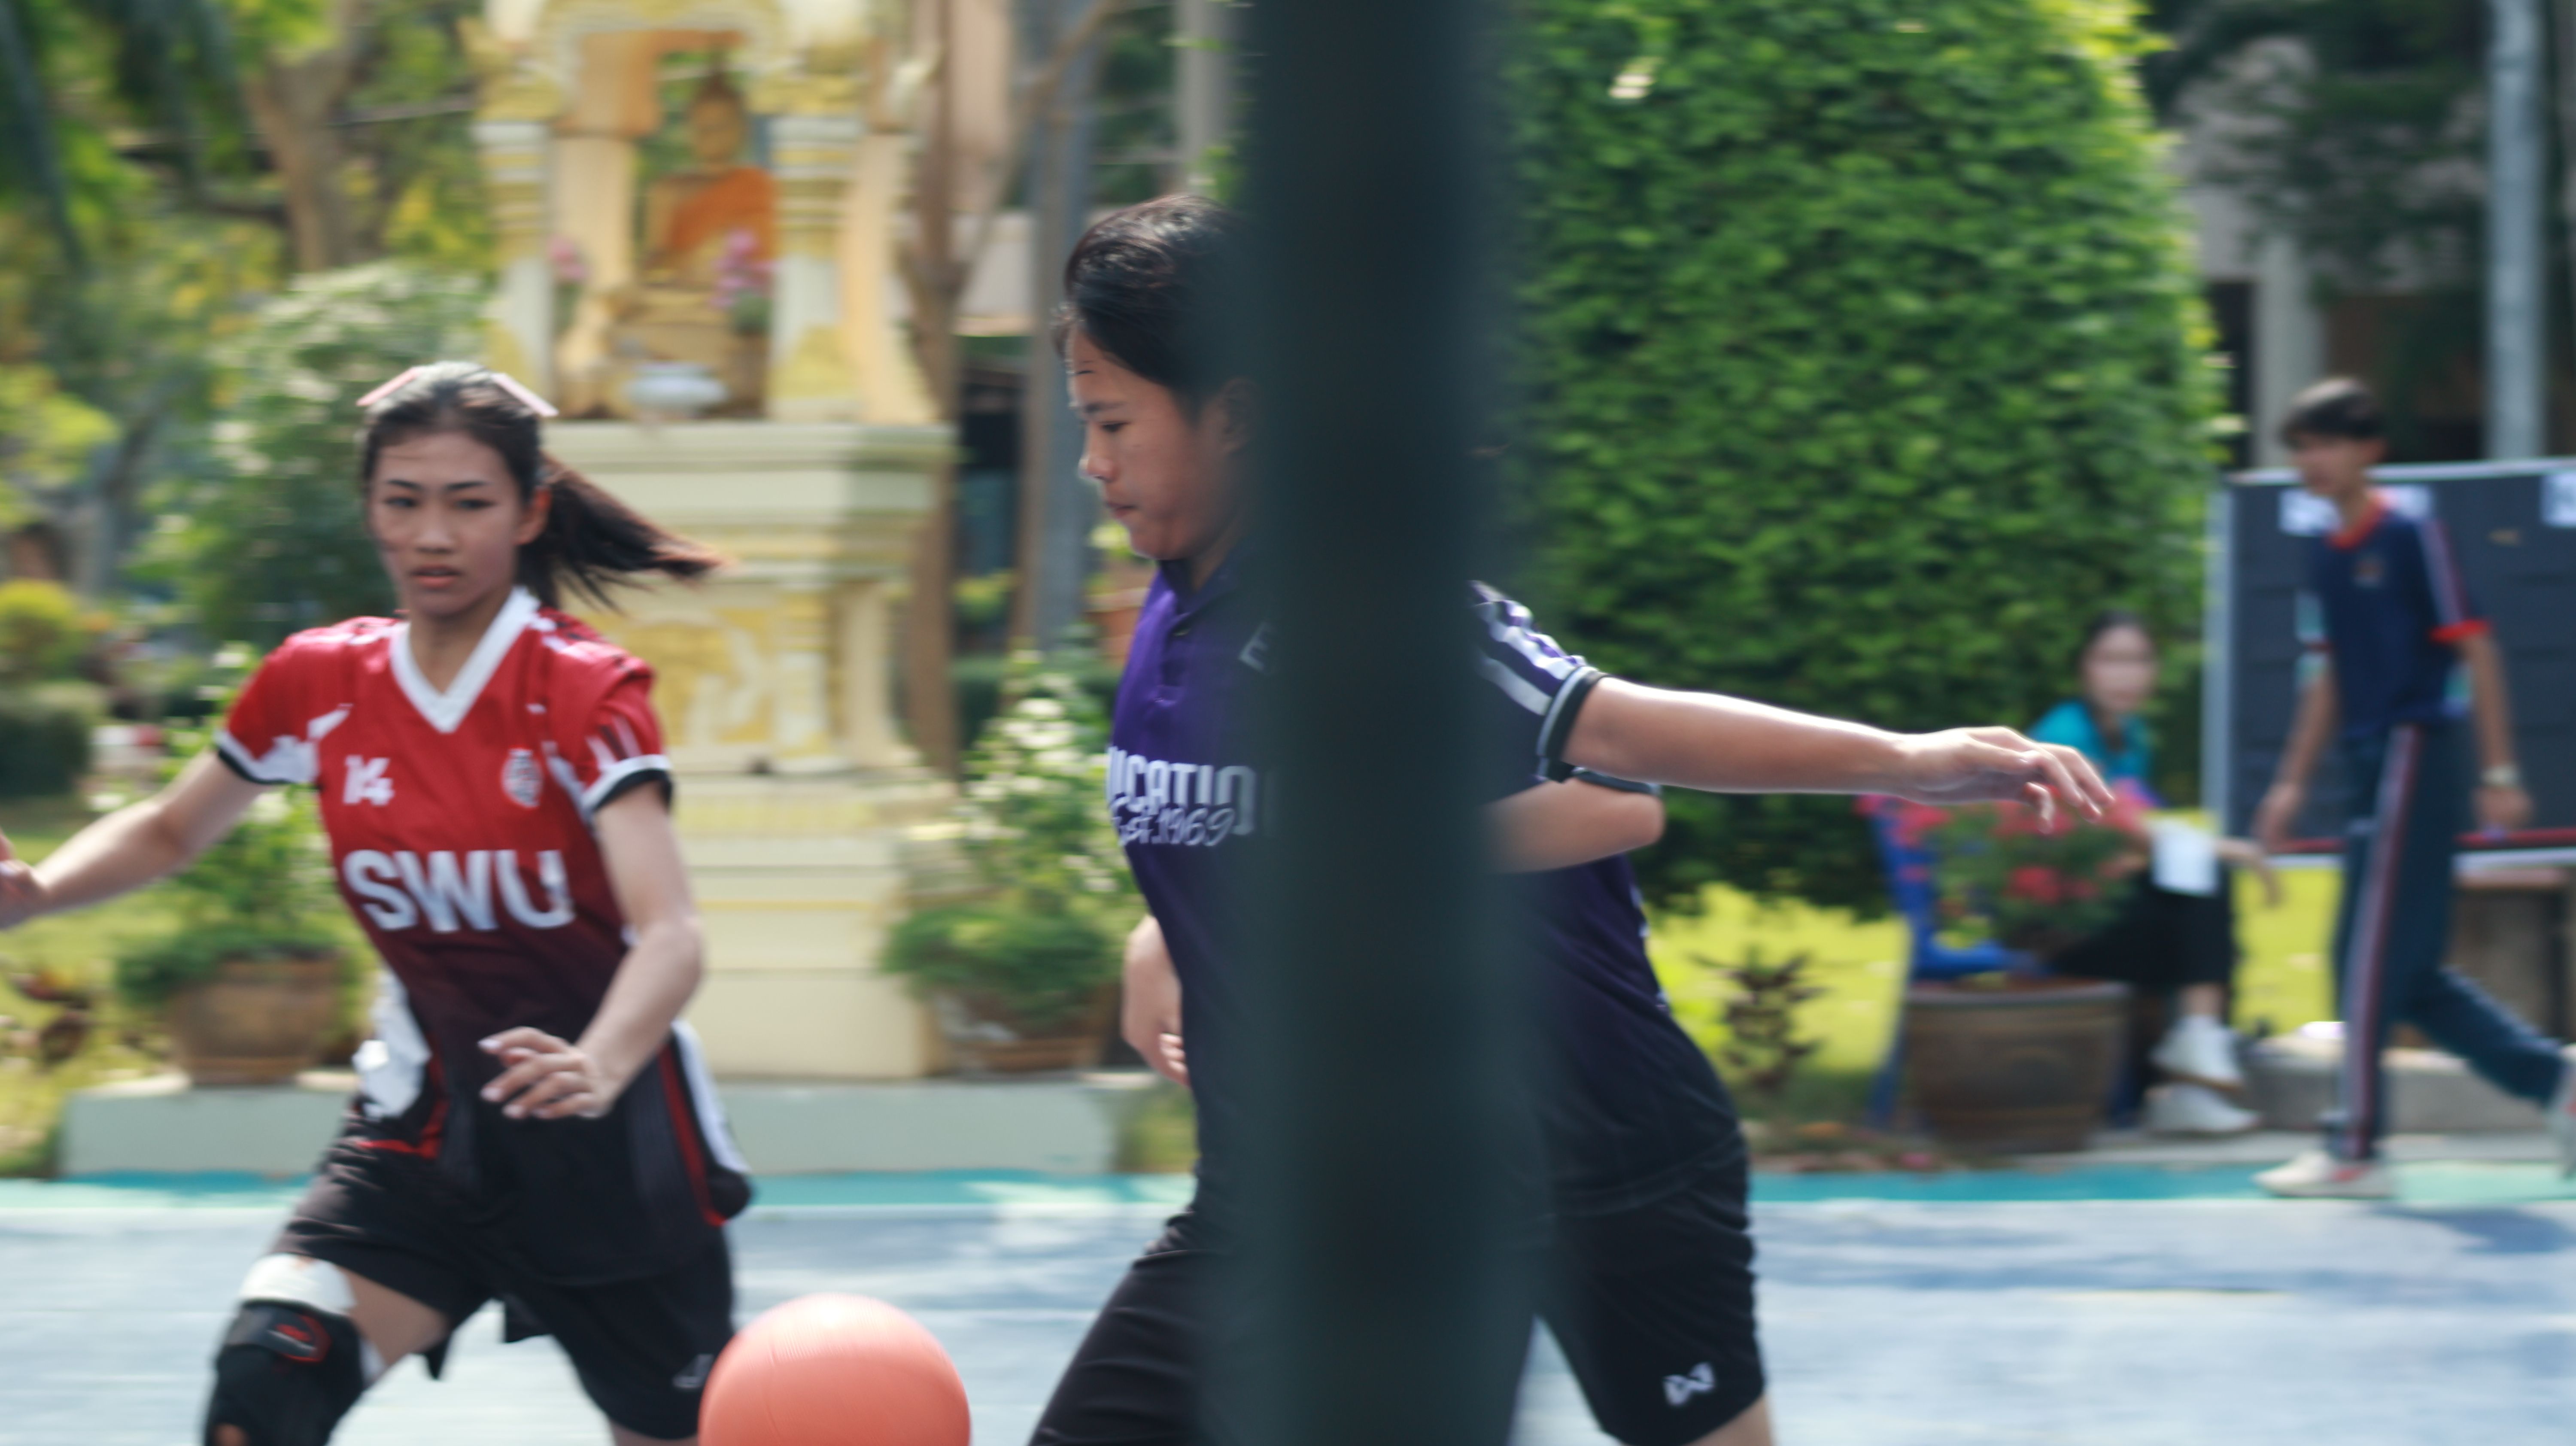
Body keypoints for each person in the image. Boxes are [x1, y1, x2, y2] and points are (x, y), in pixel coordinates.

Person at [1031, 195, 2111, 1446]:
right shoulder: (1173, 612)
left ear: (1234, 414)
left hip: (1585, 1140)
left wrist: (1910, 763)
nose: (1091, 463)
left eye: (1111, 422)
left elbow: (1620, 756)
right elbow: (1245, 818)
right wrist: (1164, 930)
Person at [0, 362, 747, 1445]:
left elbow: (670, 931)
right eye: (404, 501)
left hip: (608, 1156)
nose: (433, 534)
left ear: (530, 512)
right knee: (261, 1394)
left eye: (469, 503)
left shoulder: (583, 690)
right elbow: (170, 829)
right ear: (370, 510)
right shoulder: (320, 681)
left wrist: (598, 1063)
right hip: (420, 1142)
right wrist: (38, 891)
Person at [2249, 376, 2576, 1198]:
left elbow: (2478, 649)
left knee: (2362, 957)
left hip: (2414, 755)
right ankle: (2557, 1084)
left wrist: (2500, 773)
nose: (2312, 461)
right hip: (2369, 765)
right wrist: (2289, 784)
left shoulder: (2411, 535)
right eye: (2302, 447)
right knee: (2410, 973)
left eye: (2328, 443)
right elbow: (2327, 674)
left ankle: (2355, 1148)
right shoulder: (2325, 552)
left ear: (2370, 449)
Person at [2030, 611, 2273, 1136]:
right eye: (2112, 660)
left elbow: (2136, 840)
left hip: (2113, 905)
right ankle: (2196, 1058)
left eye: (2139, 660)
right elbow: (2122, 829)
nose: (2127, 674)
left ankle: (2194, 1063)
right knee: (2205, 889)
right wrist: (2237, 850)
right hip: (2067, 923)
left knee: (2198, 898)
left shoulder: (2132, 735)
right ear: (2085, 667)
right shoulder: (2067, 733)